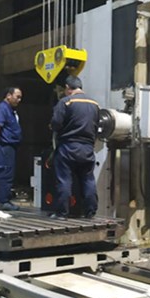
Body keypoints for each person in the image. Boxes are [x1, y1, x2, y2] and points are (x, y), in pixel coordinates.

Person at [50, 76, 100, 219]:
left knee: (64, 180)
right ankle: (90, 212)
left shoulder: (66, 102)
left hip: (68, 146)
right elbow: (97, 125)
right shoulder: (95, 104)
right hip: (87, 147)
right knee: (88, 179)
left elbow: (56, 123)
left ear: (67, 87)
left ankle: (62, 213)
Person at [0, 87, 23, 211]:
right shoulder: (1, 108)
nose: (19, 100)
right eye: (17, 97)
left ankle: (5, 199)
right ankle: (2, 201)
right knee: (4, 172)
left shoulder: (11, 110)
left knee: (8, 173)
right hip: (4, 146)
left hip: (10, 146)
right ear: (8, 96)